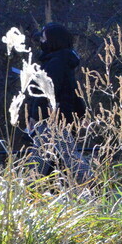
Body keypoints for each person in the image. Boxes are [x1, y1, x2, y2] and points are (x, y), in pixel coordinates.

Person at [25, 22, 90, 183]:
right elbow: (72, 91)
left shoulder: (56, 63)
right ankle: (33, 189)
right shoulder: (63, 60)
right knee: (44, 154)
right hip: (61, 115)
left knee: (65, 156)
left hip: (52, 117)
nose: (41, 41)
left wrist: (35, 116)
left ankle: (94, 185)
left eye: (44, 38)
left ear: (53, 40)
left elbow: (45, 92)